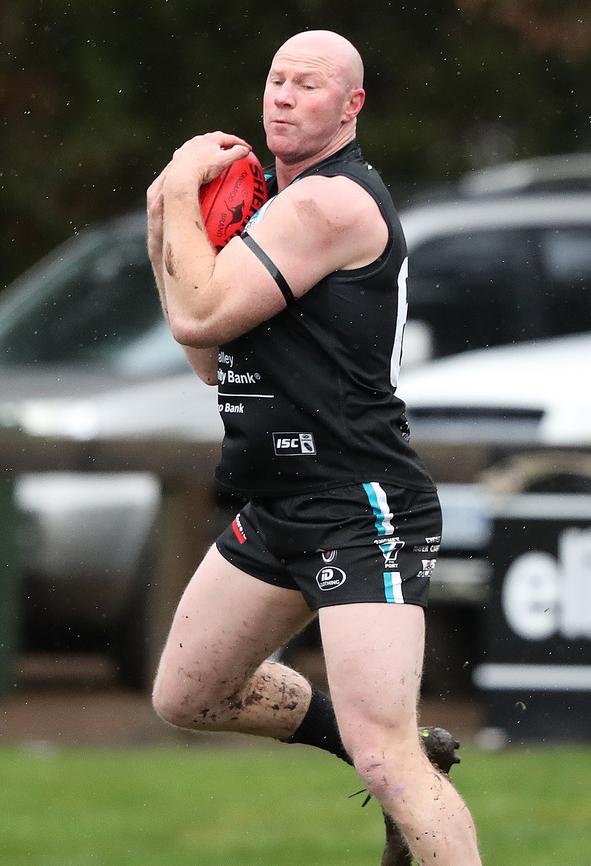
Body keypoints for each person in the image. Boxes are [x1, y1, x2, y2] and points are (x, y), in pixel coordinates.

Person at [146, 29, 482, 866]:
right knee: (191, 693)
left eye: (310, 84)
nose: (285, 96)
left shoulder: (328, 202)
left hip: (358, 503)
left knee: (389, 760)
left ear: (352, 106)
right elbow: (205, 355)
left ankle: (405, 768)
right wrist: (168, 223)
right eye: (276, 80)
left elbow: (196, 315)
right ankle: (398, 754)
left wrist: (181, 189)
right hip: (280, 503)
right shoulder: (274, 212)